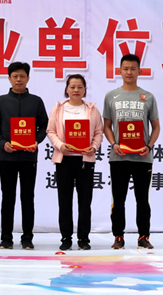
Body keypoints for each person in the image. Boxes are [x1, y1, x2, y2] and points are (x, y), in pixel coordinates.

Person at [103, 54, 160, 250]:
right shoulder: (111, 96)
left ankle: (143, 236)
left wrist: (149, 146)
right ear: (119, 71)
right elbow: (107, 126)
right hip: (118, 157)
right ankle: (118, 237)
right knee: (118, 199)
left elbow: (156, 127)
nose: (129, 72)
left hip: (142, 157)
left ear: (139, 71)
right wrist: (113, 144)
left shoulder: (148, 97)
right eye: (125, 68)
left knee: (142, 200)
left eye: (133, 68)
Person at [0, 62, 48, 250]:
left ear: (28, 78)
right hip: (6, 157)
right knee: (8, 198)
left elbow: (44, 126)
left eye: (22, 76)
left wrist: (36, 141)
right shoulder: (1, 101)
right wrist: (2, 143)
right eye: (15, 76)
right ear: (9, 78)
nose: (19, 79)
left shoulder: (36, 101)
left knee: (27, 198)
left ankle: (27, 238)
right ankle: (6, 238)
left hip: (28, 157)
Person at [46, 74, 104, 251]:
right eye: (72, 87)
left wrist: (94, 147)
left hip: (85, 161)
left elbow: (99, 132)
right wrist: (60, 145)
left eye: (80, 87)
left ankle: (83, 238)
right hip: (64, 160)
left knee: (85, 201)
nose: (76, 90)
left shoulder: (92, 110)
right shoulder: (58, 109)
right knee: (64, 200)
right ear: (67, 89)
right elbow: (50, 131)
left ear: (85, 89)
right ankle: (66, 237)